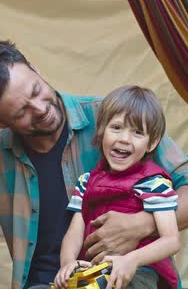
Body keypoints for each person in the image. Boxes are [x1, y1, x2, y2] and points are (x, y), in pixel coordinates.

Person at [0, 40, 188, 289]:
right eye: (22, 110)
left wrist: (139, 225)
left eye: (36, 90)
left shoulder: (115, 121)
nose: (41, 109)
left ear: (36, 69)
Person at [54, 86, 180, 289]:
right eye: (117, 128)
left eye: (138, 132)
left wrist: (133, 260)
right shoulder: (87, 182)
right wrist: (68, 263)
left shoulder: (153, 184)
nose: (124, 138)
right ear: (102, 131)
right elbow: (74, 233)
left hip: (139, 272)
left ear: (152, 143)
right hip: (95, 272)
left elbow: (171, 240)